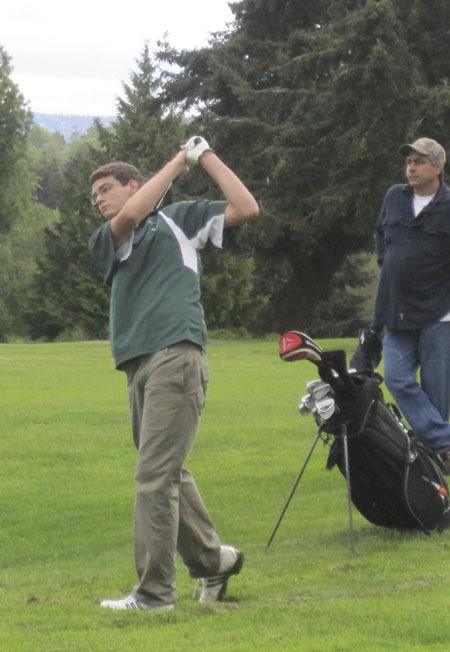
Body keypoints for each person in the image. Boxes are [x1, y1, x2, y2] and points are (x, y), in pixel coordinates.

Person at [88, 136, 260, 612]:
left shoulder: (179, 220)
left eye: (106, 188)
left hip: (176, 353)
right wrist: (178, 163)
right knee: (166, 473)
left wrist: (204, 157)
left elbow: (246, 207)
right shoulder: (109, 238)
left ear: (133, 184)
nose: (99, 199)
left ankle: (155, 594)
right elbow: (129, 217)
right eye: (94, 193)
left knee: (154, 475)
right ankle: (214, 560)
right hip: (137, 365)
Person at [372, 137, 450, 475]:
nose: (411, 168)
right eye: (409, 162)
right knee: (396, 377)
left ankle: (431, 467)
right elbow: (380, 238)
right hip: (396, 312)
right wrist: (390, 264)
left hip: (439, 315)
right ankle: (445, 444)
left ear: (438, 167)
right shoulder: (394, 197)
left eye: (419, 161)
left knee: (436, 393)